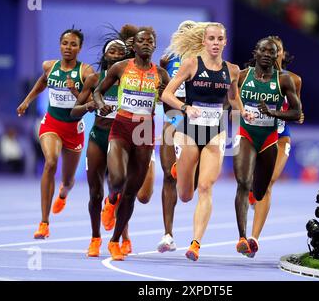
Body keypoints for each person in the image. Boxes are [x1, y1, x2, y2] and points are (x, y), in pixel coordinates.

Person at [161, 22, 253, 261]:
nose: (215, 42)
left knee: (205, 187)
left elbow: (233, 98)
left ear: (225, 42)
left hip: (215, 133)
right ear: (204, 41)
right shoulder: (191, 64)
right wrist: (185, 107)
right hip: (189, 130)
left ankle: (195, 244)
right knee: (185, 195)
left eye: (219, 39)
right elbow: (166, 94)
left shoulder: (232, 70)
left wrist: (243, 112)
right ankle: (181, 170)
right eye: (211, 38)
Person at [93, 27, 170, 260]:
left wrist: (167, 96)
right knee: (116, 180)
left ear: (155, 46)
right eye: (141, 40)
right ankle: (110, 198)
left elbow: (170, 110)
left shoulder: (162, 75)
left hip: (145, 130)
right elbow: (98, 91)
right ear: (133, 46)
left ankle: (115, 241)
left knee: (133, 192)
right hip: (121, 126)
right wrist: (100, 104)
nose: (146, 43)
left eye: (150, 40)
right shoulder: (120, 68)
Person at [17, 28, 94, 239]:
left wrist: (75, 91)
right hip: (51, 124)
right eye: (65, 43)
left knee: (68, 180)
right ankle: (44, 222)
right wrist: (27, 101)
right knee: (50, 162)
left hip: (74, 130)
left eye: (73, 44)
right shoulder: (49, 66)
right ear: (60, 45)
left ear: (80, 48)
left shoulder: (86, 72)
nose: (68, 48)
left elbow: (91, 105)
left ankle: (64, 192)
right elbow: (42, 82)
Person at [234, 37, 301, 258]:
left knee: (269, 181)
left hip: (280, 135)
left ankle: (254, 238)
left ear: (280, 54)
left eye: (277, 50)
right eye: (268, 49)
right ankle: (247, 220)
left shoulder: (292, 80)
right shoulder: (248, 75)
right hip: (252, 132)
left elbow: (296, 110)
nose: (273, 53)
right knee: (249, 182)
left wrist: (291, 115)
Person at [157, 20, 198, 253]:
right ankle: (168, 234)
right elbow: (163, 96)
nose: (185, 37)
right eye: (182, 33)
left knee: (189, 190)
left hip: (198, 125)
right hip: (172, 121)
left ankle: (188, 175)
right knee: (167, 176)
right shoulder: (167, 61)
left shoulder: (204, 64)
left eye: (190, 34)